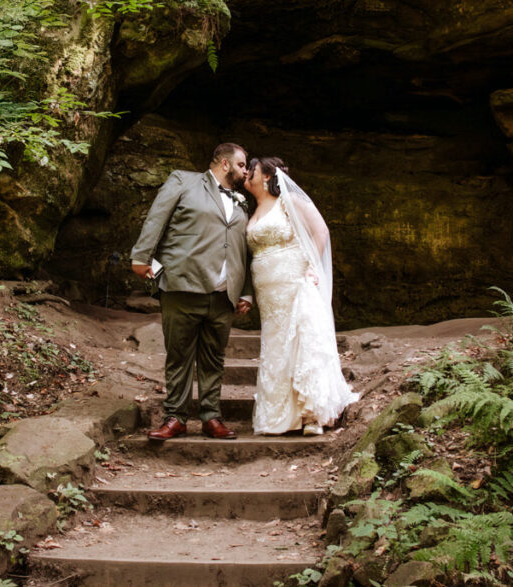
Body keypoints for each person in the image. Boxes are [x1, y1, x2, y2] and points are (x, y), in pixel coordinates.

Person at [130, 143, 254, 440]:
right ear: (224, 164)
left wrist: (245, 291)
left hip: (223, 294)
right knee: (179, 355)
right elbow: (156, 218)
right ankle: (176, 417)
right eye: (241, 165)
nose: (246, 171)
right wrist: (141, 257)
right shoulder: (183, 181)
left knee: (214, 357)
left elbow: (243, 250)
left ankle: (212, 417)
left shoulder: (242, 203)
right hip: (181, 285)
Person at [243, 157, 358, 436]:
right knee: (276, 345)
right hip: (267, 291)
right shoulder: (253, 208)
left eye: (252, 170)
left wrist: (311, 268)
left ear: (268, 176)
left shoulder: (290, 201)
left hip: (294, 279)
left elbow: (320, 231)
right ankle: (280, 415)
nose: (246, 173)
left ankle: (310, 414)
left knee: (300, 339)